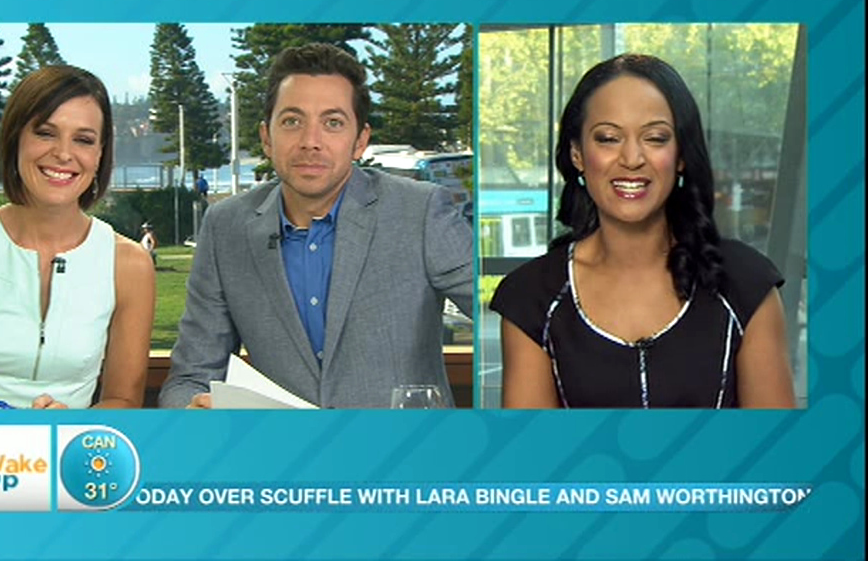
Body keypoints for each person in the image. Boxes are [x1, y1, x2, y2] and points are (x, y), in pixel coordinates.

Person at [159, 42, 473, 409]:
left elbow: (504, 316)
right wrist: (192, 411)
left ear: (360, 141)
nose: (311, 142)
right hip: (281, 445)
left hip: (406, 443)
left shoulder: (420, 212)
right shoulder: (225, 227)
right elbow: (190, 376)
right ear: (266, 138)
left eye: (332, 123)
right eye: (292, 121)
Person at [490, 54, 796, 409]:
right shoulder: (530, 298)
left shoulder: (746, 284)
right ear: (577, 154)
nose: (632, 158)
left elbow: (779, 443)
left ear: (681, 155)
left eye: (655, 138)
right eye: (608, 138)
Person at [0, 65, 155, 409]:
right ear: (16, 139)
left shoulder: (129, 264)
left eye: (83, 140)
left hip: (74, 443)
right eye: (45, 133)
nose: (64, 154)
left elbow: (123, 400)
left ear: (100, 154)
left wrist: (70, 429)